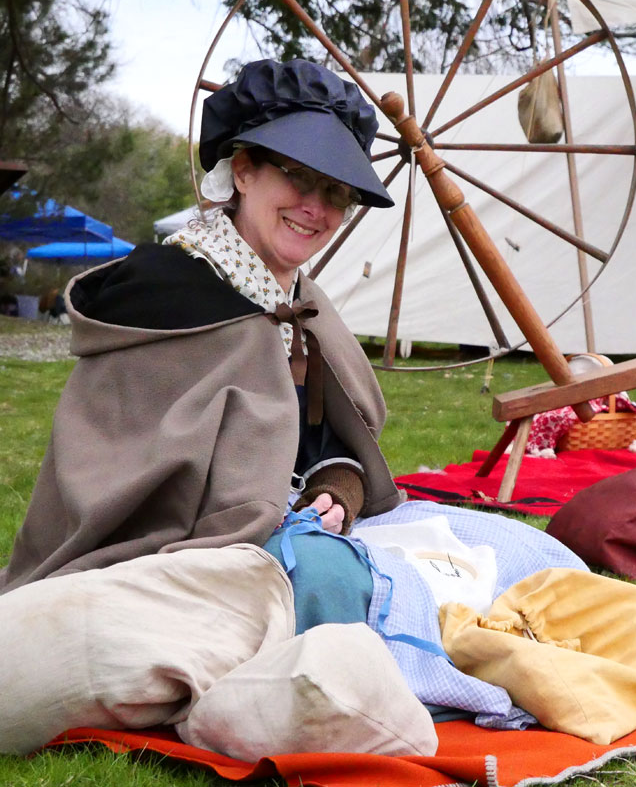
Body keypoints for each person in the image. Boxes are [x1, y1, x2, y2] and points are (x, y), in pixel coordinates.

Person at [0, 59, 404, 595]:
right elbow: (117, 482)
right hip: (161, 559)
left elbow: (313, 439)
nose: (315, 207)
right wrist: (258, 519)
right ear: (243, 171)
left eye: (336, 191)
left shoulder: (301, 308)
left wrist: (337, 484)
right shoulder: (161, 295)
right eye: (299, 175)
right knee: (331, 580)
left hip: (278, 530)